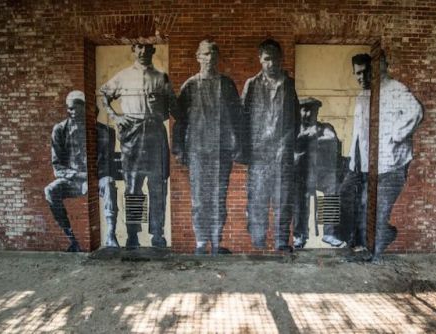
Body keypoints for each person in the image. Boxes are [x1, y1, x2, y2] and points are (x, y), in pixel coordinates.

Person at [100, 44, 178, 249]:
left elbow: (174, 106)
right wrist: (116, 116)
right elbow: (104, 96)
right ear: (134, 50)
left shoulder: (161, 78)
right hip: (132, 134)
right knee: (133, 187)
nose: (143, 52)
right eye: (139, 48)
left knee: (158, 186)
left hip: (155, 133)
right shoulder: (123, 76)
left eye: (147, 48)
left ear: (153, 51)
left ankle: (158, 234)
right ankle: (133, 234)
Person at [174, 40, 241, 255]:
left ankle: (216, 240)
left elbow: (238, 117)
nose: (209, 58)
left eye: (213, 54)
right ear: (198, 57)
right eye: (205, 54)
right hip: (198, 151)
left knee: (219, 197)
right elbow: (180, 120)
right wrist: (179, 149)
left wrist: (238, 144)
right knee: (200, 199)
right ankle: (201, 242)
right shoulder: (190, 86)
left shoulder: (227, 85)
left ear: (217, 57)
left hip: (222, 152)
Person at [241, 39, 300, 251]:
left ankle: (282, 242)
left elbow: (296, 119)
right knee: (257, 199)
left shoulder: (289, 84)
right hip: (259, 154)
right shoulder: (252, 84)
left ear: (281, 59)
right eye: (267, 59)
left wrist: (288, 144)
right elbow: (242, 119)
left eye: (275, 58)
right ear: (260, 60)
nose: (271, 63)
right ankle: (258, 243)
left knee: (283, 199)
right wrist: (247, 150)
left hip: (282, 152)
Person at [372, 52, 423, 263]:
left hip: (394, 162)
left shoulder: (396, 88)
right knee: (373, 208)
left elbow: (415, 111)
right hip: (379, 163)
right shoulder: (374, 90)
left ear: (386, 64)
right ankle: (380, 240)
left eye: (380, 63)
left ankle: (377, 253)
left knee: (382, 208)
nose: (376, 68)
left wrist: (396, 135)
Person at [293, 97, 342, 249]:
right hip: (301, 175)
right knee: (298, 195)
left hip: (321, 175)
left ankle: (329, 233)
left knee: (332, 187)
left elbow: (332, 139)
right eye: (304, 109)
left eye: (312, 110)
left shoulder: (325, 127)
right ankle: (300, 234)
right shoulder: (294, 130)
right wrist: (306, 138)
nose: (308, 113)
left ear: (317, 112)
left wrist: (310, 137)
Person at [335, 53, 372, 251]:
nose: (362, 77)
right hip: (356, 161)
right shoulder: (360, 97)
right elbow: (358, 133)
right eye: (358, 73)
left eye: (366, 72)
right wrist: (352, 159)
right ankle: (346, 237)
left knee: (364, 203)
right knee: (344, 194)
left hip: (371, 162)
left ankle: (360, 243)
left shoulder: (378, 96)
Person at [44, 90, 87, 252]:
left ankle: (110, 237)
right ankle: (72, 239)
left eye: (76, 108)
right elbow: (57, 166)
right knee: (50, 190)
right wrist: (77, 175)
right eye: (70, 108)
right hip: (72, 181)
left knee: (108, 187)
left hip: (93, 180)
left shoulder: (96, 128)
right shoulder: (60, 130)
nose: (72, 112)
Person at [96, 108, 119, 248]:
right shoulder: (64, 129)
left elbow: (107, 158)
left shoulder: (107, 131)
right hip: (75, 177)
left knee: (109, 185)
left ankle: (111, 234)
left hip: (100, 175)